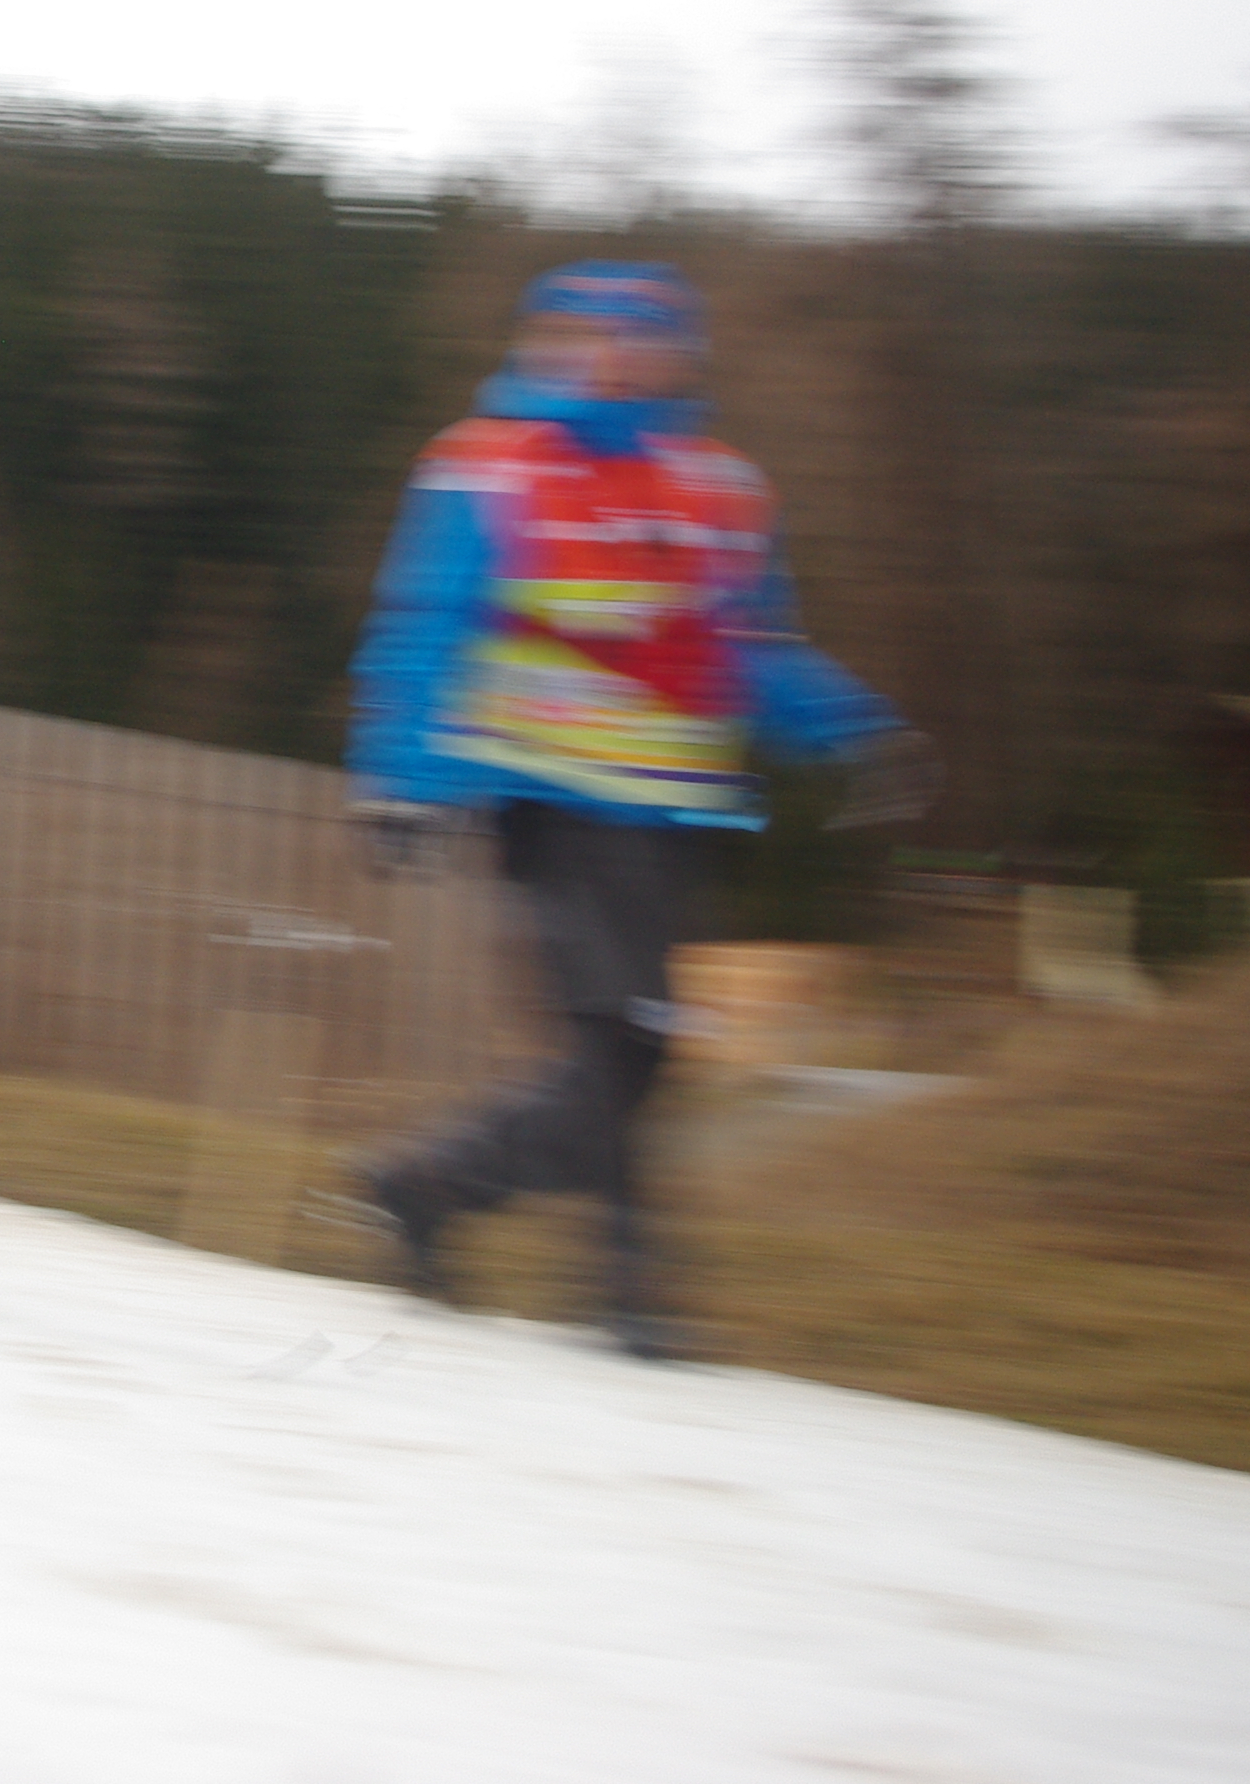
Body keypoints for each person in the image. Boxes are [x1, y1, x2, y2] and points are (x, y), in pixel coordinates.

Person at [345, 261, 932, 1357]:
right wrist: (403, 781)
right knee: (618, 1042)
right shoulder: (484, 468)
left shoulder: (718, 488)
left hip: (670, 817)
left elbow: (751, 653)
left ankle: (425, 1187)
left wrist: (858, 733)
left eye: (648, 339)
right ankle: (624, 1285)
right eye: (596, 335)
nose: (620, 357)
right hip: (547, 801)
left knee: (639, 1058)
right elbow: (423, 629)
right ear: (557, 340)